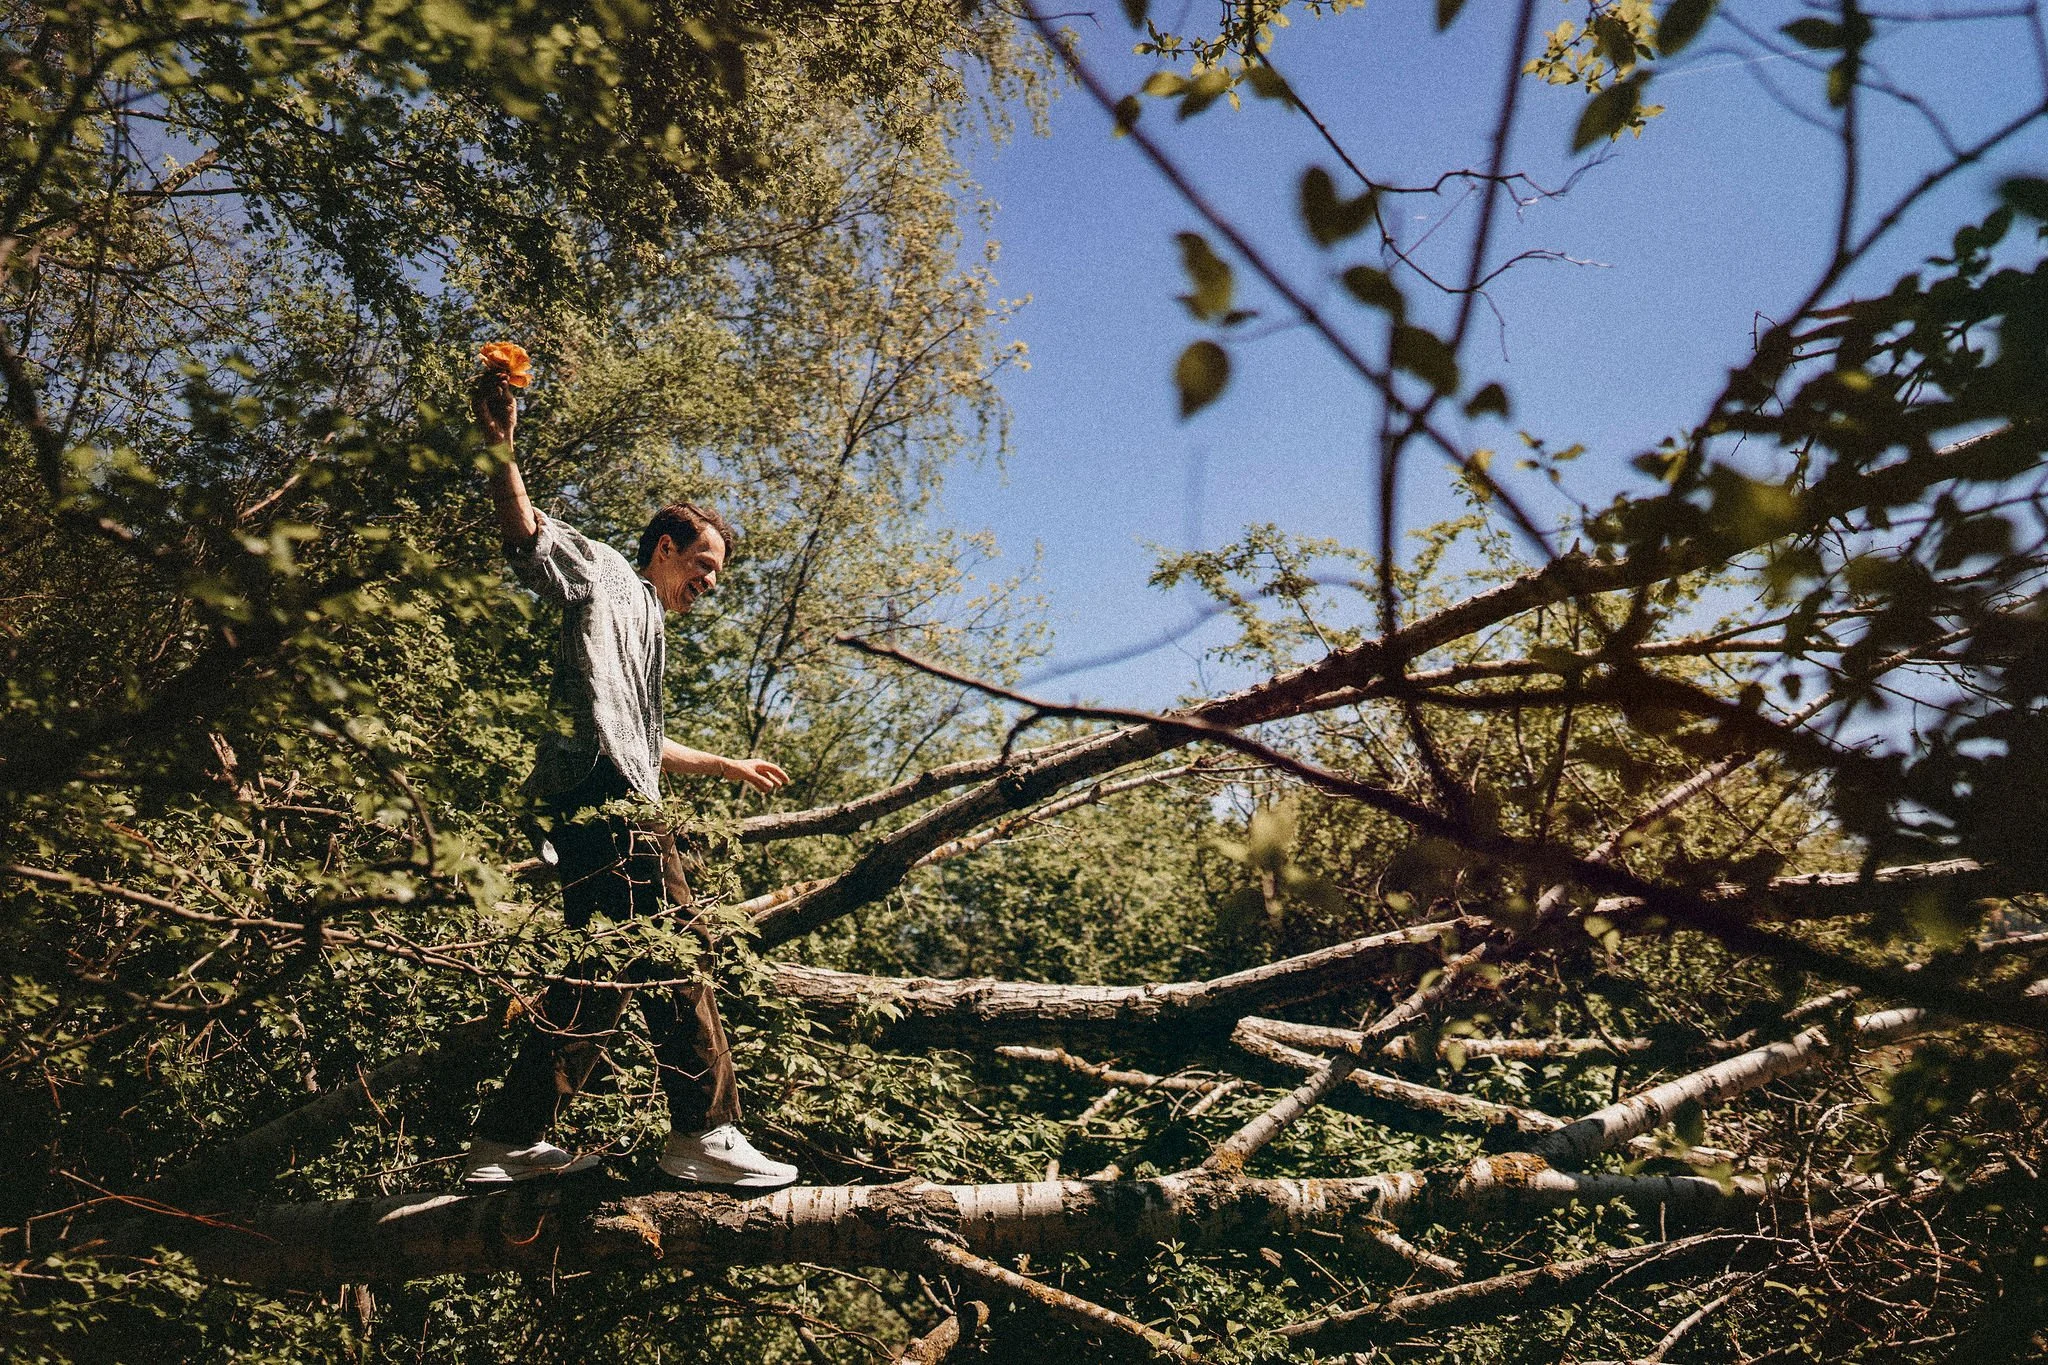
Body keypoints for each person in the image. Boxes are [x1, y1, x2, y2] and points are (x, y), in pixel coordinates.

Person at [459, 359, 798, 1190]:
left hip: (606, 790)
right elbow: (528, 535)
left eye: (716, 573)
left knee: (605, 969)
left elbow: (644, 737)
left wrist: (721, 762)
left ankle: (507, 1138)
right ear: (664, 548)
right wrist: (501, 448)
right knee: (677, 947)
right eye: (704, 565)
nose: (709, 584)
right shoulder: (610, 574)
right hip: (604, 795)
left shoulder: (646, 623)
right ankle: (706, 1132)